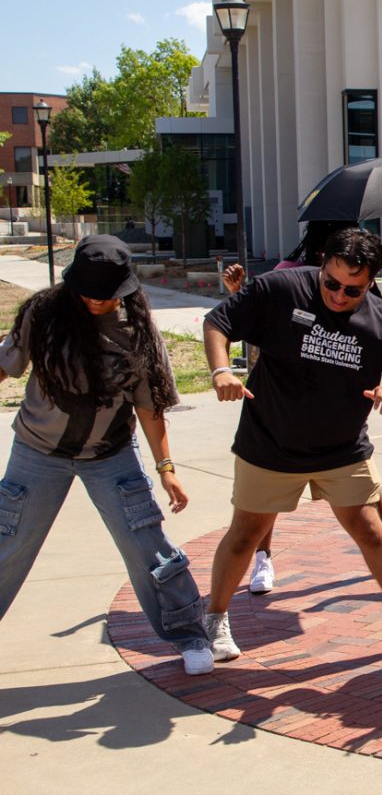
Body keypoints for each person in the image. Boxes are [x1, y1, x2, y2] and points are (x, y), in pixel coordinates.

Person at [202, 227, 382, 666]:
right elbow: (219, 322)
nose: (340, 295)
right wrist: (219, 372)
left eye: (354, 289)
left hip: (342, 448)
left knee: (370, 529)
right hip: (270, 441)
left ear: (370, 283)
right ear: (322, 263)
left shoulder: (381, 317)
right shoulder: (281, 287)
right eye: (332, 283)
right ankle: (214, 617)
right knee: (246, 533)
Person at [0, 235, 213, 675]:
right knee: (7, 543)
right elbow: (5, 366)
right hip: (38, 451)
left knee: (147, 546)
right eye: (88, 292)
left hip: (109, 455)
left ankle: (189, 634)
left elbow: (149, 406)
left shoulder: (135, 332)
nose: (96, 301)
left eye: (106, 294)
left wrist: (166, 468)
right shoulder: (43, 314)